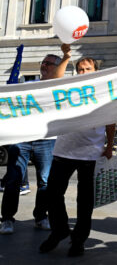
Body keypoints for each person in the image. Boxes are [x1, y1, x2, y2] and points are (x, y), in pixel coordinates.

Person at [39, 49, 116, 256]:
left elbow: (111, 120)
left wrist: (109, 147)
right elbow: (54, 80)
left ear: (96, 70)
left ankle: (79, 240)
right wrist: (65, 58)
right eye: (80, 69)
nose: (83, 72)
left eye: (88, 69)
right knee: (53, 194)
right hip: (64, 150)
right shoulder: (69, 86)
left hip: (91, 153)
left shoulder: (103, 91)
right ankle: (60, 230)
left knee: (85, 201)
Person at [0, 51, 70, 235]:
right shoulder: (28, 85)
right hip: (22, 138)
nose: (44, 66)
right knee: (13, 179)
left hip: (46, 141)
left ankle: (40, 216)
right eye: (43, 62)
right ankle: (7, 219)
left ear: (57, 68)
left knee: (45, 181)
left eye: (49, 64)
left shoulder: (61, 90)